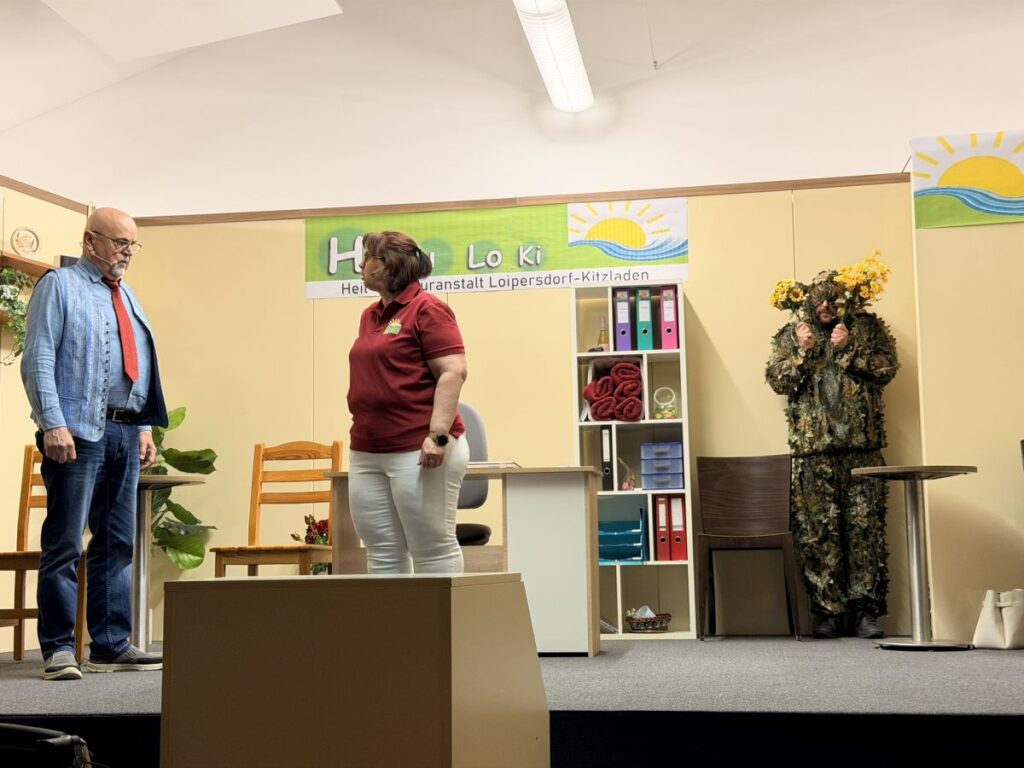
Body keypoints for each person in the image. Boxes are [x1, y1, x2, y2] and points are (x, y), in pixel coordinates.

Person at [21, 207, 168, 680]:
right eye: (120, 242)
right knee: (65, 542)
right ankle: (58, 648)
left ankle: (109, 645)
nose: (128, 252)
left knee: (117, 543)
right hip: (77, 433)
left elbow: (137, 364)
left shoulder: (127, 295)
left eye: (132, 245)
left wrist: (143, 427)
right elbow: (38, 357)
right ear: (90, 241)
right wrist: (52, 423)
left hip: (125, 431)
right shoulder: (59, 285)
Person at [766, 270, 899, 639]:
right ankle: (829, 613)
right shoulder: (793, 333)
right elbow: (778, 380)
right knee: (817, 535)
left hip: (862, 451)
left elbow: (887, 369)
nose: (826, 305)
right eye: (820, 298)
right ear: (809, 300)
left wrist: (849, 348)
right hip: (813, 454)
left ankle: (864, 613)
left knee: (865, 532)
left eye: (833, 298)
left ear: (846, 300)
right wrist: (803, 351)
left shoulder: (866, 329)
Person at [347, 231, 470, 573]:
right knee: (382, 552)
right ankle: (395, 613)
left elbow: (453, 371)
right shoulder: (370, 315)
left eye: (368, 257)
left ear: (389, 265)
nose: (361, 264)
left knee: (433, 549)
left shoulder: (428, 309)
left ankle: (441, 613)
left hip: (419, 448)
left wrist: (438, 436)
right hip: (367, 449)